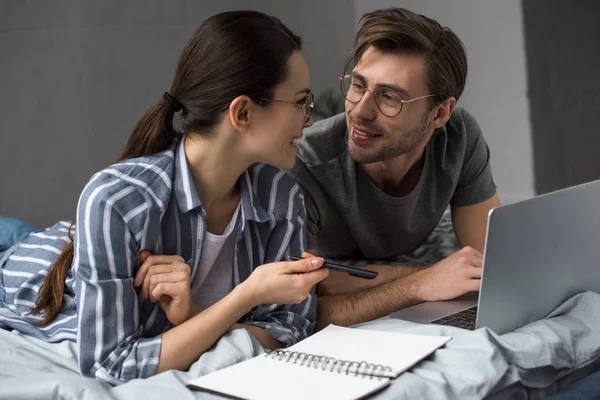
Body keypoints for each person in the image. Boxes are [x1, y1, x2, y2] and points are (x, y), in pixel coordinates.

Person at [0, 10, 330, 385]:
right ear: (243, 112)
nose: (310, 119)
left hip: (74, 239)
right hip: (27, 267)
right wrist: (246, 295)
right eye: (301, 102)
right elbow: (112, 365)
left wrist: (193, 314)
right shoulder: (117, 201)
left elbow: (290, 328)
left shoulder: (281, 197)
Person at [289, 7, 501, 330]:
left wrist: (347, 278)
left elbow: (491, 267)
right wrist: (420, 280)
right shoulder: (305, 163)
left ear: (440, 113)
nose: (360, 112)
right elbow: (302, 310)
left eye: (390, 98)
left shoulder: (458, 138)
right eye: (358, 85)